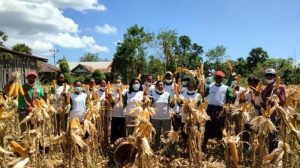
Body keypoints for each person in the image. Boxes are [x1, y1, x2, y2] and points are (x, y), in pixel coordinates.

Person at [202, 71, 235, 151]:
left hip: (220, 110)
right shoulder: (210, 86)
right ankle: (204, 145)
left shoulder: (226, 88)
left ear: (222, 78)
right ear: (215, 78)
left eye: (220, 78)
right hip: (210, 109)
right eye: (217, 77)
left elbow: (231, 97)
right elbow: (204, 95)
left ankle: (221, 145)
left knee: (219, 128)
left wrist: (234, 94)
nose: (218, 79)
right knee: (208, 127)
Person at [261, 68, 286, 152]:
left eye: (271, 76)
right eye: (267, 76)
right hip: (266, 115)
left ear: (274, 77)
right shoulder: (264, 89)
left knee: (274, 135)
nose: (269, 77)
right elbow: (263, 102)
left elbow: (283, 101)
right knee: (267, 135)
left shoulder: (280, 87)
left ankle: (274, 152)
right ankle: (268, 152)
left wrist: (278, 94)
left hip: (275, 115)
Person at [150, 80, 173, 150]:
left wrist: (173, 102)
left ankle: (167, 149)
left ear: (164, 86)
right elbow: (149, 105)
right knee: (156, 135)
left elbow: (171, 105)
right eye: (159, 85)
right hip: (155, 118)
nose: (160, 86)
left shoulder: (167, 94)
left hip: (166, 118)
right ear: (156, 86)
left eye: (162, 85)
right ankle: (157, 148)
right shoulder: (152, 95)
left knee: (167, 135)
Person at [110, 77, 127, 144]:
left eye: (119, 82)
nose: (117, 84)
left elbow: (126, 103)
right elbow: (112, 104)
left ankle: (122, 144)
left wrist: (121, 100)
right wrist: (111, 99)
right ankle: (114, 144)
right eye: (116, 82)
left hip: (123, 114)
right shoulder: (112, 92)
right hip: (114, 114)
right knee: (114, 130)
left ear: (121, 83)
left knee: (122, 130)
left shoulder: (125, 92)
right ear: (114, 84)